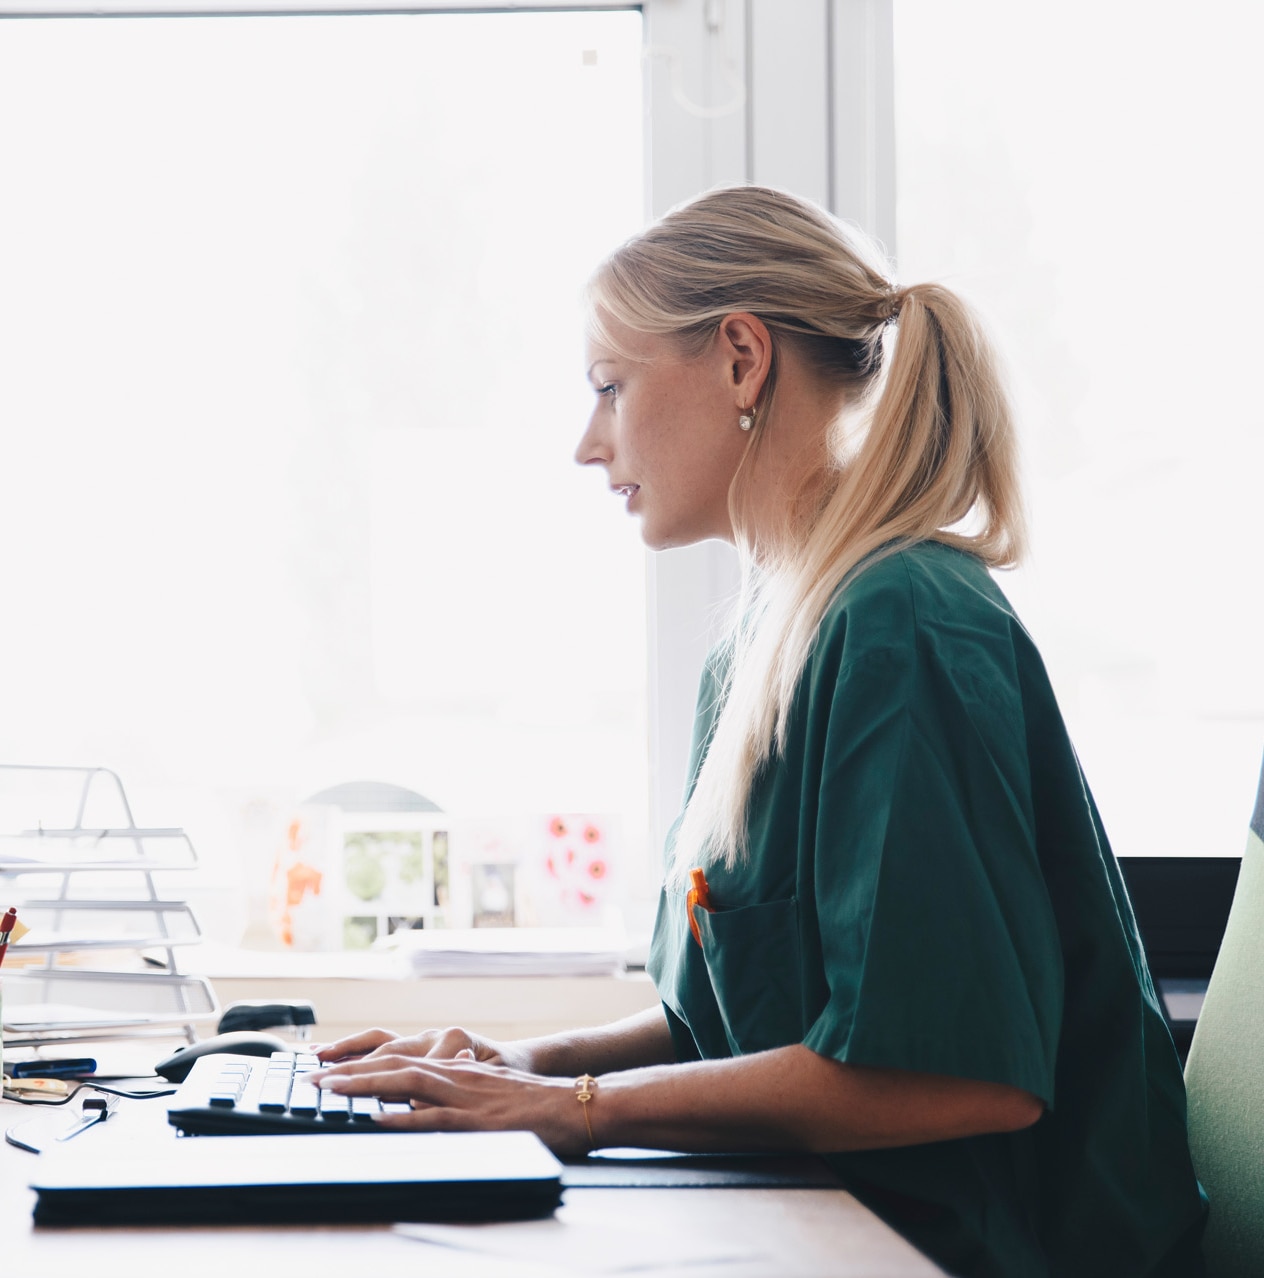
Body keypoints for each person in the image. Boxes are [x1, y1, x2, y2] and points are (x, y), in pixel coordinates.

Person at [310, 185, 1208, 1277]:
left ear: (742, 358)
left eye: (609, 388)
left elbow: (955, 1076)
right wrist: (525, 1064)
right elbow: (739, 1021)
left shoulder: (903, 624)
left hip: (963, 1249)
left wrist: (573, 1107)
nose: (587, 446)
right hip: (827, 1221)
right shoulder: (763, 643)